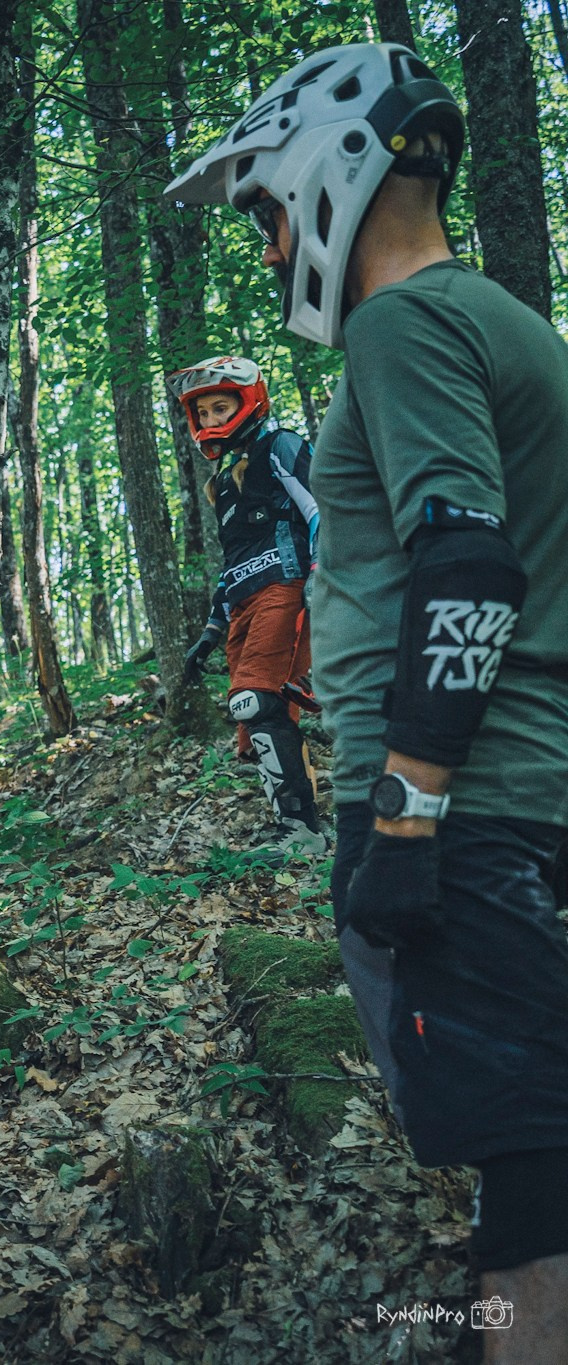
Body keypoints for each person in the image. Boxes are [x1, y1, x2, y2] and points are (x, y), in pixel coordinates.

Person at [169, 43, 568, 1355]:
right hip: (518, 789)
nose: (269, 246)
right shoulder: (506, 322)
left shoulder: (404, 327)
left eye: (265, 213)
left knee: (528, 1170)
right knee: (532, 1138)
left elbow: (468, 564)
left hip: (464, 809)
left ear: (324, 177)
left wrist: (404, 820)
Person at [171, 355, 327, 860]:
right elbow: (231, 562)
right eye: (204, 412)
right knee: (256, 720)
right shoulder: (219, 484)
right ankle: (295, 826)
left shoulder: (280, 446)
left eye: (221, 407)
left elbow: (322, 509)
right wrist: (210, 632)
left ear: (250, 401)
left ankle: (302, 832)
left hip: (287, 585)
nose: (211, 419)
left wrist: (322, 573)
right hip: (243, 604)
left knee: (255, 700)